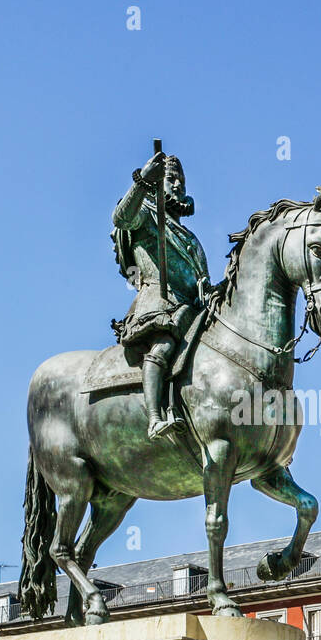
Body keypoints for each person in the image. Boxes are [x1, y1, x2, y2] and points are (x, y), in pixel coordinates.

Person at [110, 150, 212, 439]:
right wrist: (143, 181)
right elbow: (121, 218)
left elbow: (197, 279)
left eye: (181, 179)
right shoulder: (145, 214)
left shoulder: (190, 237)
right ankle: (155, 417)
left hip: (190, 310)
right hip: (158, 303)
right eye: (170, 179)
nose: (178, 185)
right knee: (164, 346)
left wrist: (207, 288)